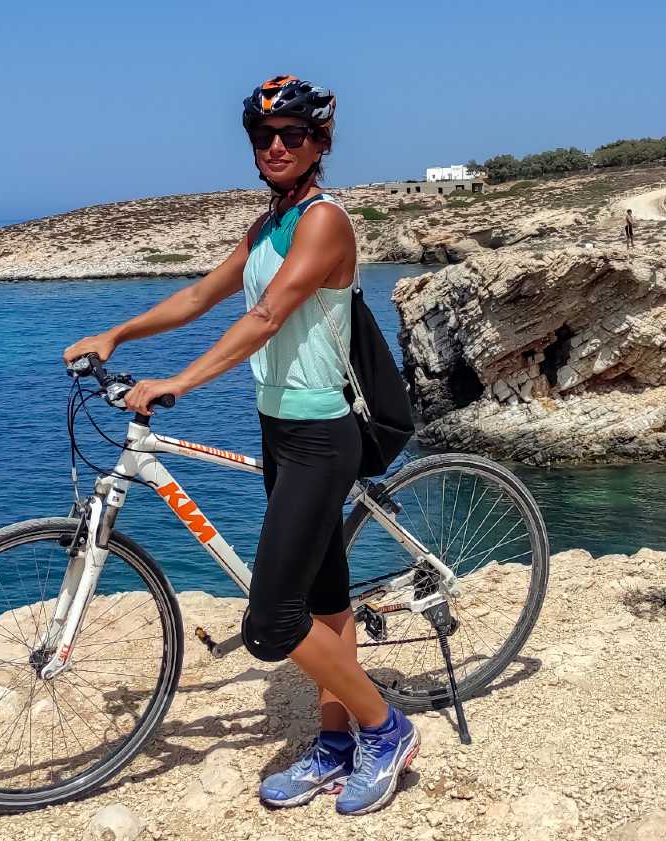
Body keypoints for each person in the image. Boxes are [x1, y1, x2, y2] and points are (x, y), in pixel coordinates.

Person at [62, 75, 418, 816]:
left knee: (273, 622)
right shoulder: (267, 226)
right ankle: (335, 743)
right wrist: (117, 332)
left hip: (321, 435)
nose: (277, 146)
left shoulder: (324, 222)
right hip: (279, 430)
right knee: (324, 602)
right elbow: (201, 296)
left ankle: (386, 729)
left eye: (292, 134)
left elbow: (265, 317)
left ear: (319, 143)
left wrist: (179, 381)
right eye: (264, 137)